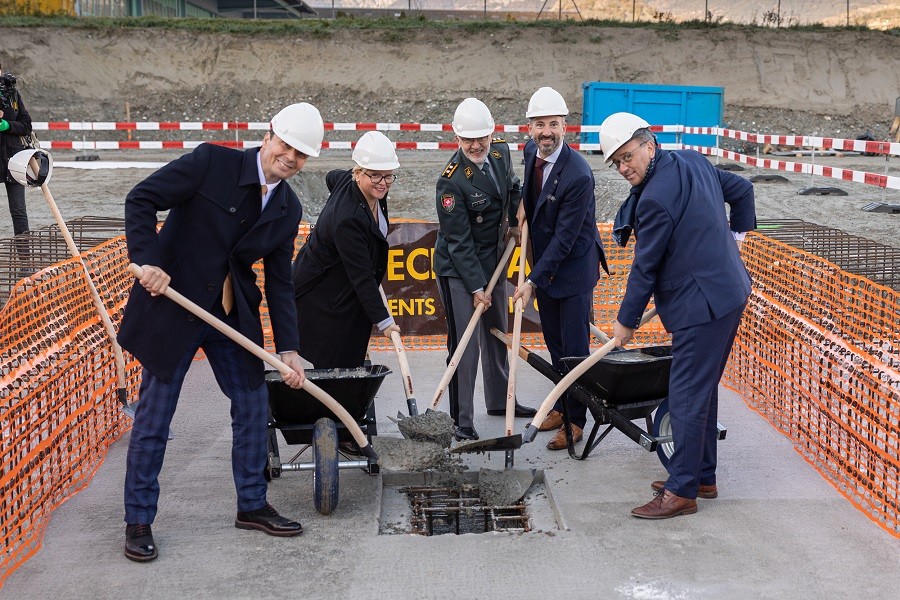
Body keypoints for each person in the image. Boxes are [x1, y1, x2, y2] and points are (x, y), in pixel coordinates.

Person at [117, 103, 325, 562]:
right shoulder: (212, 162)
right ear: (269, 135)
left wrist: (289, 348)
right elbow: (141, 198)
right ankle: (138, 520)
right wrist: (148, 260)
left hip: (230, 316)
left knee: (252, 403)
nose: (289, 158)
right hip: (174, 305)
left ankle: (251, 505)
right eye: (286, 146)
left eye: (301, 154)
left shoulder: (288, 207)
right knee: (156, 417)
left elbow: (281, 281)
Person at [599, 111, 756, 519]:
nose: (623, 167)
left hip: (701, 307)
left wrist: (625, 322)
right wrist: (734, 239)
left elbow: (644, 268)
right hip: (730, 291)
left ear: (648, 144)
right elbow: (740, 190)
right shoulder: (691, 159)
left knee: (684, 393)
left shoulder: (653, 200)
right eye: (616, 162)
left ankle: (681, 490)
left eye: (627, 156)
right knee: (700, 388)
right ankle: (702, 475)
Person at [433, 97, 536, 442]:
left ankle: (499, 400)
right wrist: (477, 288)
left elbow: (510, 186)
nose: (476, 145)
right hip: (459, 269)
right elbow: (459, 242)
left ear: (493, 132)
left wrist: (514, 216)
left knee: (497, 331)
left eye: (482, 137)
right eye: (468, 140)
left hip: (494, 257)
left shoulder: (500, 152)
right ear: (456, 137)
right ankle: (461, 419)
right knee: (466, 343)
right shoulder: (451, 183)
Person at [512, 87, 608, 451]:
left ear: (565, 127)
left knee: (573, 351)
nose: (545, 131)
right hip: (545, 269)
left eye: (553, 124)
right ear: (530, 128)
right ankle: (563, 405)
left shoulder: (579, 175)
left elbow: (566, 240)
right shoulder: (529, 152)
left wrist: (533, 280)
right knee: (554, 346)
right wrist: (523, 205)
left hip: (570, 274)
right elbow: (530, 190)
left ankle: (576, 421)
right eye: (539, 124)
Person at [291, 130, 401, 369]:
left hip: (338, 283)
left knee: (348, 355)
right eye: (375, 176)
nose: (383, 183)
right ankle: (334, 404)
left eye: (388, 176)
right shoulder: (348, 221)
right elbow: (362, 278)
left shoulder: (349, 181)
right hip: (321, 293)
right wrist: (384, 322)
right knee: (335, 360)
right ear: (358, 173)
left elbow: (331, 177)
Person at [0, 61, 32, 238]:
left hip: (14, 159)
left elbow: (27, 125)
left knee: (19, 211)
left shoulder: (12, 95)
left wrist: (7, 125)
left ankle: (25, 260)